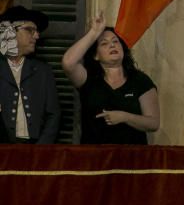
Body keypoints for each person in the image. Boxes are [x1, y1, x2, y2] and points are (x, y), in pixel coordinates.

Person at [62, 13, 159, 145]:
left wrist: (125, 117)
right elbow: (68, 63)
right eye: (104, 43)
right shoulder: (88, 79)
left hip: (132, 159)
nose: (112, 45)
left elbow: (153, 123)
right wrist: (94, 32)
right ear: (96, 55)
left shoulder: (140, 80)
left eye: (115, 41)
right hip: (95, 159)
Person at [0, 5, 59, 143]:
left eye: (36, 31)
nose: (37, 36)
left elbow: (53, 115)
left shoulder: (43, 71)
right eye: (30, 30)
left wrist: (40, 150)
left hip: (36, 150)